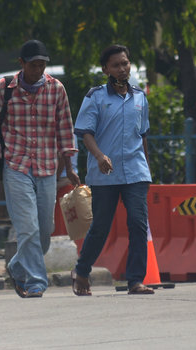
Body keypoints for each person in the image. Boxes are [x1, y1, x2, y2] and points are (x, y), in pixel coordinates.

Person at [0, 39, 79, 298]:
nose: (38, 70)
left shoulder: (56, 88)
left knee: (44, 231)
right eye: (33, 65)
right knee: (28, 228)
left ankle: (16, 265)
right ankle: (36, 282)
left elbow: (65, 128)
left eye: (42, 65)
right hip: (16, 165)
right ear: (22, 64)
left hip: (47, 167)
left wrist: (69, 165)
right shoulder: (3, 88)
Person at [71, 44, 155, 295]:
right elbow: (85, 132)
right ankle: (82, 270)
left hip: (136, 172)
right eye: (116, 65)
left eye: (125, 63)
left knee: (138, 224)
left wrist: (147, 171)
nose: (122, 68)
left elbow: (143, 135)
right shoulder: (95, 97)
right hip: (104, 173)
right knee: (101, 227)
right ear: (106, 68)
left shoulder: (140, 96)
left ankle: (135, 280)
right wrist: (99, 156)